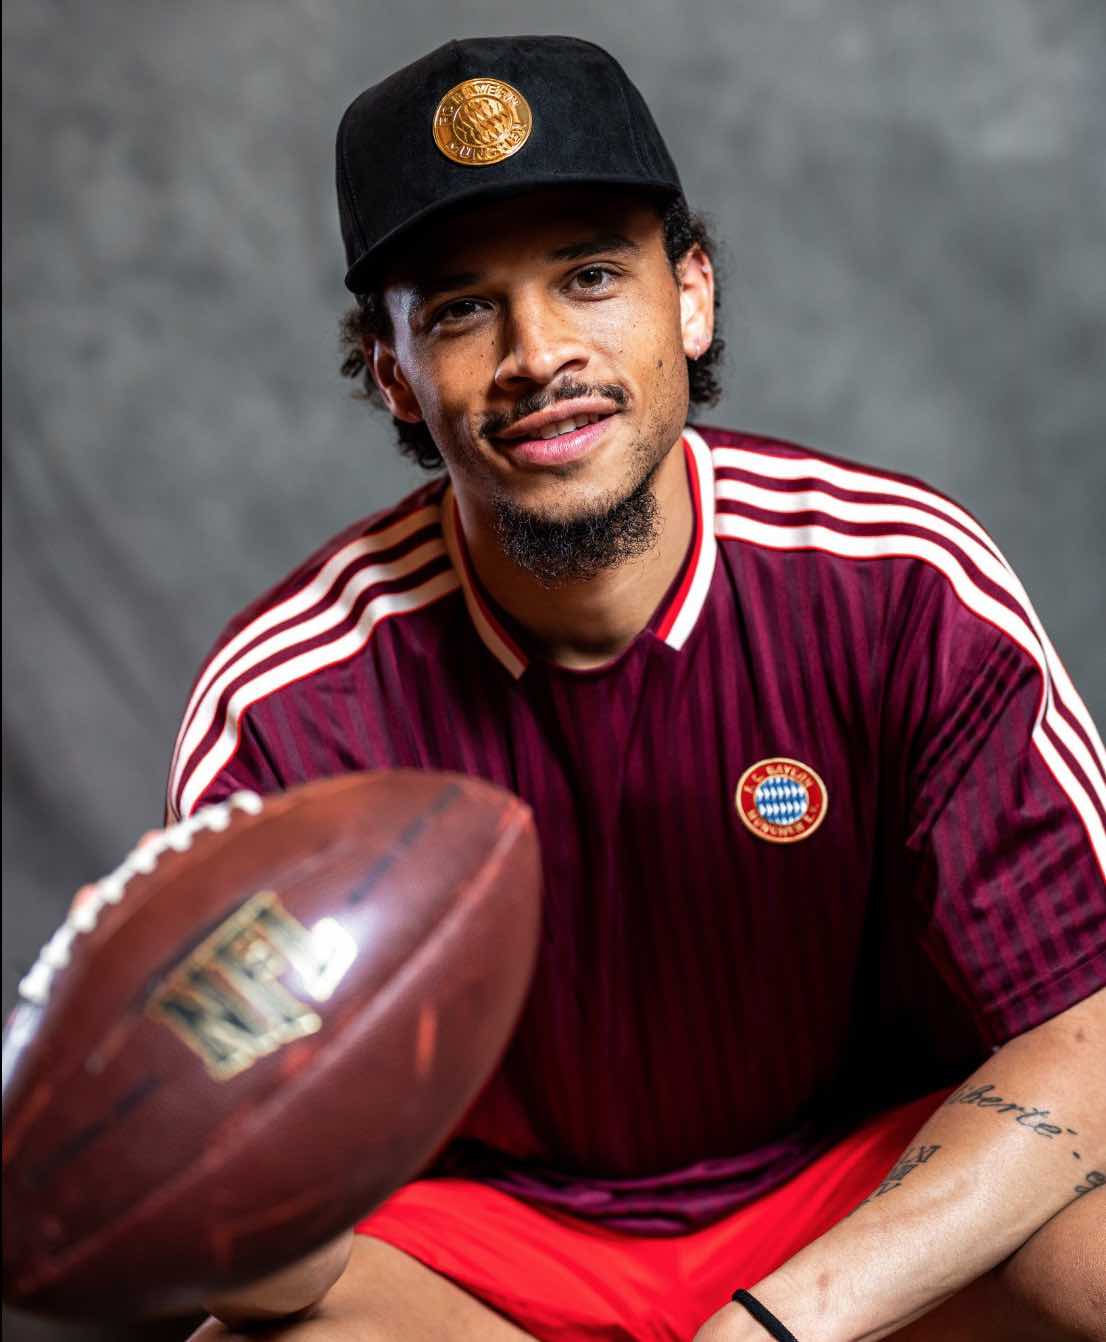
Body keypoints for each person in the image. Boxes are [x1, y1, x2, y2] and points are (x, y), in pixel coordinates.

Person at [172, 36, 1105, 1342]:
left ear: (691, 297)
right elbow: (257, 1249)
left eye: (591, 276)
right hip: (490, 1243)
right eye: (460, 309)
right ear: (392, 373)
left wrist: (780, 1322)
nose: (537, 351)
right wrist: (220, 1184)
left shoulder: (900, 583)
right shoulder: (285, 708)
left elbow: (1090, 1030)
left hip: (849, 1194)